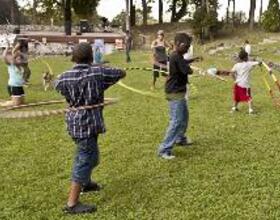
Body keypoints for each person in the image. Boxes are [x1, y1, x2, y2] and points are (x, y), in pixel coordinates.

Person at [54, 43, 126, 215]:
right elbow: (120, 73)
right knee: (86, 159)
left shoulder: (64, 77)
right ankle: (72, 203)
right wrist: (100, 70)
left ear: (74, 58)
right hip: (89, 123)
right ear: (91, 58)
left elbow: (57, 85)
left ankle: (85, 184)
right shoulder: (98, 72)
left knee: (91, 157)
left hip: (74, 123)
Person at [158, 33, 201, 160]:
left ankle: (180, 138)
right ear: (179, 44)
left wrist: (192, 60)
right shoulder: (176, 56)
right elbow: (187, 70)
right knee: (176, 120)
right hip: (175, 92)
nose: (188, 49)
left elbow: (183, 62)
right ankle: (164, 149)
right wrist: (195, 69)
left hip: (178, 92)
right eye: (186, 46)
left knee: (184, 117)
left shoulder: (177, 55)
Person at [230, 49, 261, 114]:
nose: (248, 58)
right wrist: (260, 62)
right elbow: (257, 63)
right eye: (247, 57)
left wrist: (235, 80)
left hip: (237, 84)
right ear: (245, 58)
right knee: (248, 97)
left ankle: (234, 108)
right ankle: (251, 110)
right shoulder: (248, 64)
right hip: (245, 84)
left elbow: (232, 73)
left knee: (237, 96)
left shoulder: (236, 65)